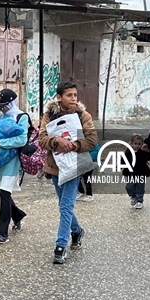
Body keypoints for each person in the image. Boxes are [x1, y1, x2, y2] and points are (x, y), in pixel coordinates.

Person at [38, 81, 98, 265]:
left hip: (75, 167)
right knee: (64, 205)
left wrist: (74, 145)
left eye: (75, 95)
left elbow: (92, 140)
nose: (73, 98)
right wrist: (56, 140)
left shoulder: (83, 115)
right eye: (69, 95)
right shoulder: (48, 115)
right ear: (59, 97)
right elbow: (41, 139)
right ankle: (77, 230)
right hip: (55, 167)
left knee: (65, 206)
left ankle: (60, 246)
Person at [0, 88, 29, 244]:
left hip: (12, 162)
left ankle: (2, 233)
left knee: (4, 194)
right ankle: (17, 215)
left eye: (5, 105)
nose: (3, 109)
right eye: (1, 106)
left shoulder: (21, 117)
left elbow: (21, 139)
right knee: (3, 194)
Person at [125, 134, 150, 209]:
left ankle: (139, 201)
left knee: (140, 187)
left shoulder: (143, 151)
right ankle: (133, 197)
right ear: (131, 144)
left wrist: (147, 151)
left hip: (141, 171)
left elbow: (149, 157)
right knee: (129, 186)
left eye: (139, 144)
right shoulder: (128, 151)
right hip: (131, 172)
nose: (137, 146)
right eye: (135, 144)